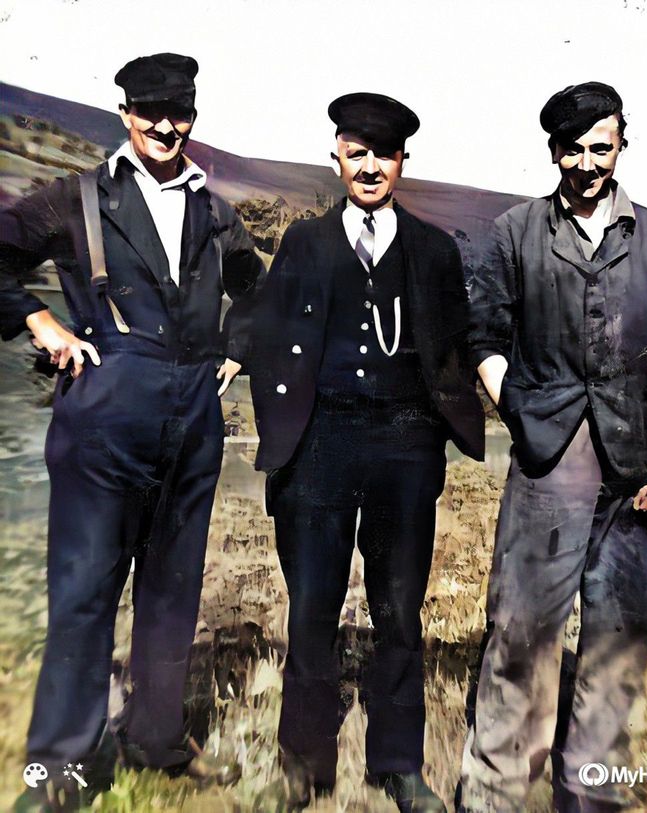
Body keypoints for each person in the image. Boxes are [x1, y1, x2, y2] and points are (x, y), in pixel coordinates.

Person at [1, 53, 263, 809]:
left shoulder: (216, 212)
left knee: (173, 589)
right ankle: (60, 768)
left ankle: (155, 738)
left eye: (177, 111)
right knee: (84, 592)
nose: (163, 125)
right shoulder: (77, 197)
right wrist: (40, 320)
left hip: (192, 419)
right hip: (106, 408)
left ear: (192, 116)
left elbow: (255, 294)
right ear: (125, 114)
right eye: (149, 110)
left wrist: (236, 351)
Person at [458, 82, 647, 813]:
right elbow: (484, 338)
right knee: (523, 636)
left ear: (622, 143)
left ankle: (591, 792)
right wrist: (523, 412)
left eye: (602, 146)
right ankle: (496, 794)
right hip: (550, 468)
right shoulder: (516, 232)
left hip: (639, 467)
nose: (588, 162)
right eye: (573, 148)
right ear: (553, 150)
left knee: (620, 638)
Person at [249, 92, 485, 812]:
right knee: (313, 607)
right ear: (337, 158)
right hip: (319, 446)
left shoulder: (435, 249)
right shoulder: (304, 243)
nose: (371, 166)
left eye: (384, 153)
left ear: (402, 161)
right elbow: (265, 333)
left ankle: (398, 761)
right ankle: (305, 761)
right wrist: (280, 421)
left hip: (405, 447)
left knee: (399, 610)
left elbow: (460, 344)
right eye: (358, 152)